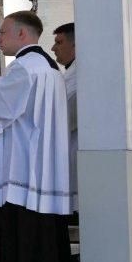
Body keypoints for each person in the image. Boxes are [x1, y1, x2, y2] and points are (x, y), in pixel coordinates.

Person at [0, 10, 73, 262]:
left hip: (20, 173)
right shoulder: (50, 68)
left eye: (3, 32)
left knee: (18, 246)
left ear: (22, 33)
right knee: (44, 244)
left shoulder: (23, 68)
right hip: (43, 171)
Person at [51, 22, 78, 219]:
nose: (53, 48)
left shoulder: (78, 76)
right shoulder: (70, 73)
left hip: (75, 156)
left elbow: (62, 117)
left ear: (76, 44)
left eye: (59, 42)